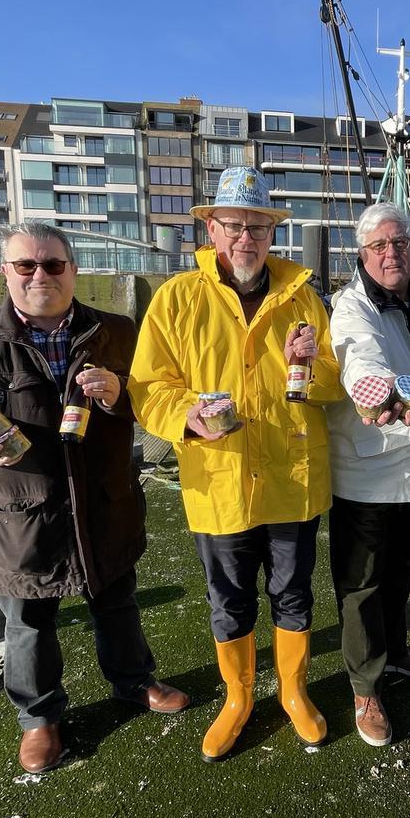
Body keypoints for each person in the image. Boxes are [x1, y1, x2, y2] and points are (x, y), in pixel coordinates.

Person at [0, 221, 189, 775]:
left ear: (73, 270)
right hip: (20, 515)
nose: (41, 275)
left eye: (54, 265)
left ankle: (134, 682)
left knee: (118, 602)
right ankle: (39, 718)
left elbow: (158, 397)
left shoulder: (117, 330)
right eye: (26, 266)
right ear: (6, 272)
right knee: (28, 622)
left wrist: (120, 394)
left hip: (104, 504)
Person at [127, 166, 342, 762]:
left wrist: (313, 362)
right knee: (229, 597)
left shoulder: (303, 298)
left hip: (291, 476)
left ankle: (294, 691)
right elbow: (148, 386)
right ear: (213, 230)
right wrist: (184, 417)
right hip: (219, 478)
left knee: (293, 591)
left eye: (258, 227)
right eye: (234, 226)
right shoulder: (177, 298)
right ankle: (239, 697)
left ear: (272, 234)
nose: (246, 238)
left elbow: (330, 387)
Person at [326, 202, 410, 747]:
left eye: (399, 242)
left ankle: (395, 652)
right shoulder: (353, 306)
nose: (390, 253)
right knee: (362, 584)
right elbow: (360, 354)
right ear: (362, 254)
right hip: (367, 467)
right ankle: (365, 687)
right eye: (378, 246)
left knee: (401, 569)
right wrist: (376, 387)